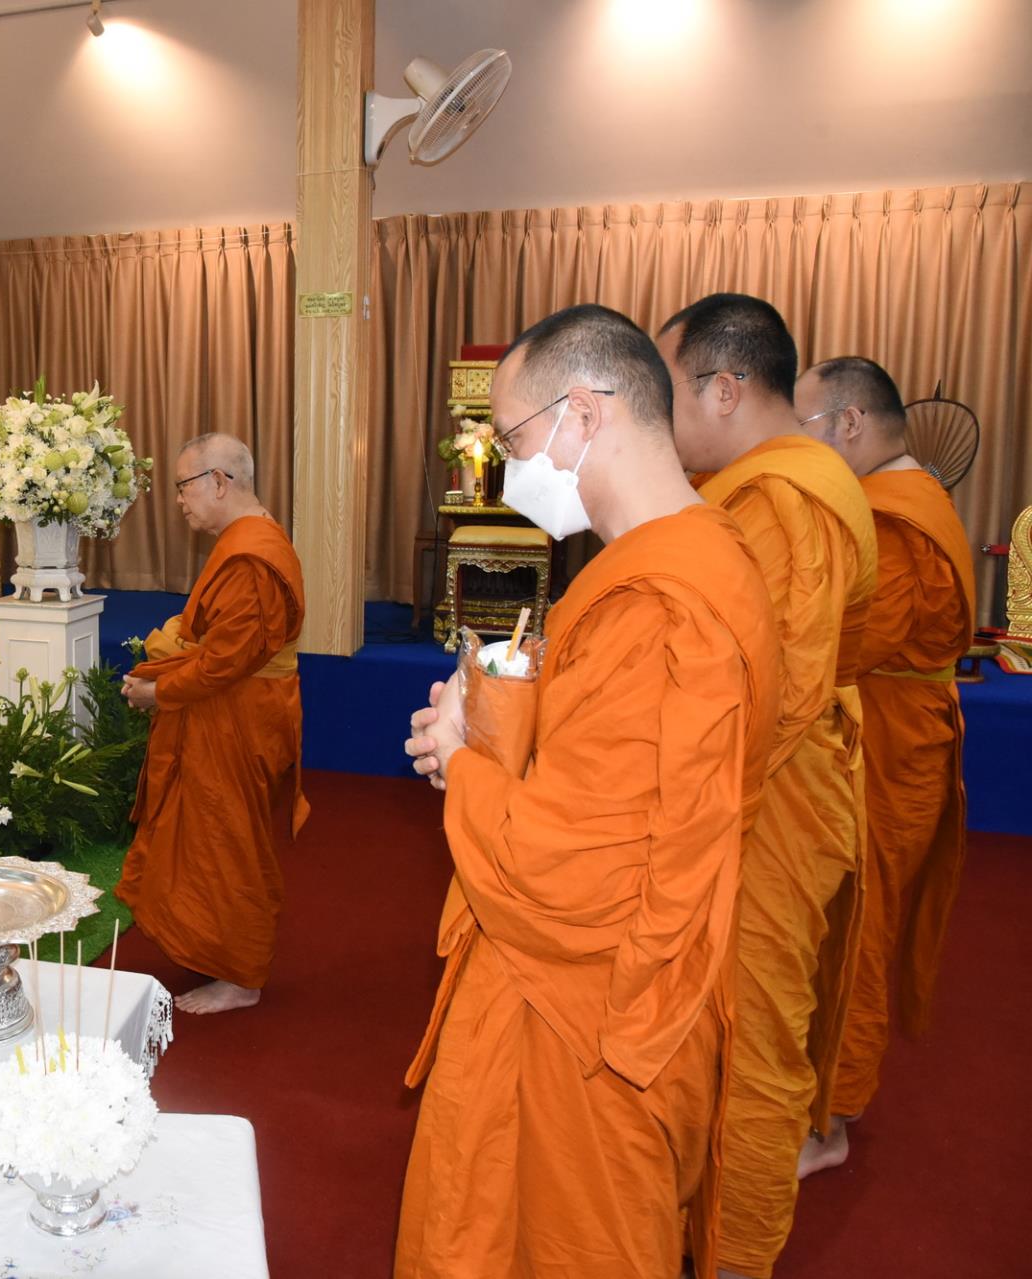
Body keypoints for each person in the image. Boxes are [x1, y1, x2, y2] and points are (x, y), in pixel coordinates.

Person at [399, 304, 780, 1278]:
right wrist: (486, 712)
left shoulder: (664, 605)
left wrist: (464, 761)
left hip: (586, 1014)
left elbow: (567, 873)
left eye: (512, 439)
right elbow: (609, 759)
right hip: (612, 985)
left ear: (582, 413)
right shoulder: (697, 557)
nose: (506, 468)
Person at [656, 294, 877, 1279]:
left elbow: (771, 694)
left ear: (726, 388)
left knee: (753, 1046)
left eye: (667, 391)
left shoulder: (790, 497)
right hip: (764, 784)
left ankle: (735, 1260)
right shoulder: (768, 484)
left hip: (771, 795)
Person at [790, 356, 975, 1177]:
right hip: (885, 727)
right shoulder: (901, 498)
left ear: (851, 422)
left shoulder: (900, 522)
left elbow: (851, 640)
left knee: (857, 930)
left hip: (893, 744)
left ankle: (828, 1118)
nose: (802, 442)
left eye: (806, 425)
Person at [114, 433, 306, 1016]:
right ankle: (215, 948)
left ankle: (240, 976)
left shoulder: (253, 556)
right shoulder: (245, 540)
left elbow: (226, 662)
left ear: (220, 482)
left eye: (183, 486)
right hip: (228, 708)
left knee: (230, 840)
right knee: (211, 834)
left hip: (239, 716)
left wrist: (159, 691)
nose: (178, 500)